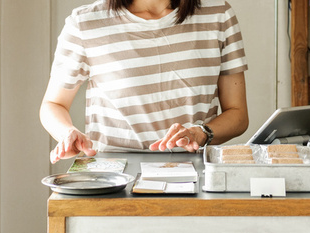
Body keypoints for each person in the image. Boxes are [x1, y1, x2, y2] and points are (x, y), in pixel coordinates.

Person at [40, 0, 249, 164]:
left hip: (196, 170)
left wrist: (202, 133)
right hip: (113, 174)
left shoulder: (219, 15)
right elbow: (53, 104)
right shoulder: (85, 22)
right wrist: (67, 133)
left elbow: (238, 115)